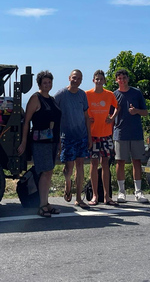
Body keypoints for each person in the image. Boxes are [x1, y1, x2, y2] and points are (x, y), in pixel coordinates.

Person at [18, 70, 62, 218]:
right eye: (45, 82)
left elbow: (57, 123)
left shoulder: (52, 99)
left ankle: (45, 202)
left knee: (48, 172)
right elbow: (26, 122)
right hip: (40, 142)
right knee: (45, 171)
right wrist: (24, 141)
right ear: (39, 84)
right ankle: (42, 205)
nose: (47, 85)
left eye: (49, 82)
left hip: (53, 140)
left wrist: (59, 141)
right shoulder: (35, 99)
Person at [55, 69, 91, 209]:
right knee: (68, 168)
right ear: (69, 78)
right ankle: (67, 184)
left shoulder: (83, 95)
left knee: (80, 165)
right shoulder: (61, 95)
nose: (76, 80)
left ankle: (78, 197)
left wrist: (89, 137)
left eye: (79, 78)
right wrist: (57, 139)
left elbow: (86, 116)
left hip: (81, 136)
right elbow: (54, 116)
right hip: (67, 137)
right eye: (74, 78)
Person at [113, 69, 149, 203]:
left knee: (137, 161)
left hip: (136, 132)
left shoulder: (136, 93)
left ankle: (138, 192)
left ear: (128, 78)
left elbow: (145, 112)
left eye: (124, 77)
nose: (122, 80)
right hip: (120, 133)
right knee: (120, 162)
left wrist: (136, 111)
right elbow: (110, 116)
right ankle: (121, 192)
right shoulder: (114, 95)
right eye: (119, 78)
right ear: (116, 80)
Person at [85, 70, 119, 205]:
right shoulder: (87, 94)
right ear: (93, 80)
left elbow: (117, 107)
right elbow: (83, 110)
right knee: (93, 164)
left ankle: (107, 196)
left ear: (104, 81)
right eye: (96, 79)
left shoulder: (109, 94)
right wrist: (87, 118)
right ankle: (94, 195)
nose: (99, 81)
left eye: (101, 79)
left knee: (105, 164)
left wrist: (112, 118)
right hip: (92, 134)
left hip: (106, 135)